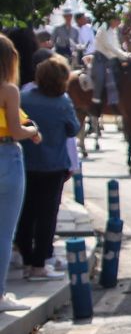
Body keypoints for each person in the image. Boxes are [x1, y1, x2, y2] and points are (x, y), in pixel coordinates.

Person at [17, 55, 77, 281]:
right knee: (47, 216)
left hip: (27, 163)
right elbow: (73, 129)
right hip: (53, 166)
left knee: (26, 213)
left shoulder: (24, 98)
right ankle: (39, 264)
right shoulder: (63, 102)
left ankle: (26, 258)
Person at [1, 34, 43, 314]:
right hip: (6, 156)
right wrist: (34, 131)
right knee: (4, 233)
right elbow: (17, 130)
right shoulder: (9, 90)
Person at [90, 14, 131, 108]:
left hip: (112, 59)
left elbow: (117, 46)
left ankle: (117, 100)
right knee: (100, 78)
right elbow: (109, 46)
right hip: (101, 59)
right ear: (112, 20)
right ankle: (95, 102)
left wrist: (126, 55)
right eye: (117, 20)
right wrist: (124, 56)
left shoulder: (114, 30)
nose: (119, 22)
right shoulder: (103, 29)